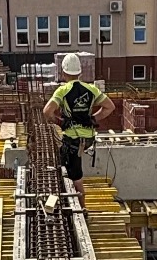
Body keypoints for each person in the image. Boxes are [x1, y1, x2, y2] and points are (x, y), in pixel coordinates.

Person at [41, 52, 115, 192]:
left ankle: (81, 203)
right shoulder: (91, 89)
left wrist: (60, 122)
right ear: (80, 73)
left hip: (73, 140)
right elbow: (110, 107)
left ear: (64, 73)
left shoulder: (62, 91)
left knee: (75, 176)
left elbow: (47, 111)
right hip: (88, 140)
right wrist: (93, 119)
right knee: (70, 164)